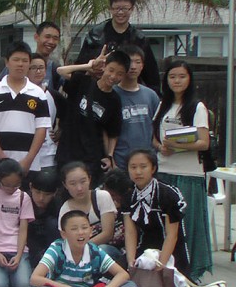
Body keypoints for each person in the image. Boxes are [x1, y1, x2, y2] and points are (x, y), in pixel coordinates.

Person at [152, 60, 212, 280]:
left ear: (189, 79)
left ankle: (193, 270)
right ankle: (167, 267)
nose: (176, 81)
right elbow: (155, 139)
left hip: (188, 173)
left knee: (188, 222)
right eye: (172, 77)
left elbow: (203, 142)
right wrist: (161, 147)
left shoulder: (197, 107)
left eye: (181, 76)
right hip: (164, 171)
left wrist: (176, 147)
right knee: (165, 223)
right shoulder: (162, 105)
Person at [30, 210, 138, 287]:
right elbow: (35, 279)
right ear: (63, 234)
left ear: (91, 231)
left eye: (84, 228)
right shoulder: (57, 249)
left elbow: (123, 274)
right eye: (74, 229)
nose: (80, 232)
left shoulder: (94, 251)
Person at [0, 42, 49, 183]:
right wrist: (3, 160)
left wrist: (28, 160)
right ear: (7, 62)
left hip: (29, 164)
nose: (20, 64)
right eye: (16, 60)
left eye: (25, 61)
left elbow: (41, 130)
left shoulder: (39, 94)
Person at [56, 48, 127, 183]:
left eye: (119, 74)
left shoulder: (114, 100)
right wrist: (90, 66)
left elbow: (113, 133)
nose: (113, 77)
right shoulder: (84, 82)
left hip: (91, 158)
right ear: (104, 67)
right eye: (111, 70)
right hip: (68, 152)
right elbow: (61, 70)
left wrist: (109, 156)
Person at [122, 149, 191, 276]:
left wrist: (160, 265)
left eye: (143, 167)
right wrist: (131, 261)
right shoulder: (129, 196)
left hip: (172, 251)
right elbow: (130, 232)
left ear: (153, 168)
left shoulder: (167, 194)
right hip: (145, 249)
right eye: (133, 167)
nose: (138, 172)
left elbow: (172, 235)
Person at [76, 0, 160, 91]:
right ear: (110, 9)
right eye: (116, 8)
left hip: (128, 91)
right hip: (98, 89)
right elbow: (79, 67)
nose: (120, 13)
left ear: (132, 9)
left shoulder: (139, 39)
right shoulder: (96, 35)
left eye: (125, 8)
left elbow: (151, 74)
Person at [0, 158, 34, 287]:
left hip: (16, 248)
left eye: (16, 185)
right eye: (7, 185)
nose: (11, 189)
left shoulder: (23, 197)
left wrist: (19, 255)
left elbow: (23, 230)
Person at [57, 162, 121, 265]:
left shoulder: (102, 197)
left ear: (89, 179)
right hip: (79, 253)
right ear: (65, 185)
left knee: (100, 250)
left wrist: (83, 248)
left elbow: (107, 234)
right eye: (73, 184)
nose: (79, 188)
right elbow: (66, 239)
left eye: (83, 181)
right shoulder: (65, 209)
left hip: (108, 248)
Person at [113, 44, 160, 169]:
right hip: (120, 163)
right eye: (129, 62)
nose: (133, 67)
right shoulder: (111, 94)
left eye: (137, 62)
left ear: (142, 65)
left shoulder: (151, 95)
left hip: (147, 163)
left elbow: (157, 128)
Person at [0, 21, 64, 90]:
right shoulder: (19, 63)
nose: (51, 41)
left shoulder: (54, 69)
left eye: (55, 38)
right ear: (36, 37)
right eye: (47, 37)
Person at [27, 55, 66, 172]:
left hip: (48, 156)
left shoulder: (54, 95)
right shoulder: (20, 94)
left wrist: (60, 131)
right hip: (24, 154)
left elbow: (68, 115)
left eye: (41, 68)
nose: (38, 71)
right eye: (33, 68)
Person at [26, 169, 62, 271]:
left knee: (53, 223)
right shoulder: (23, 201)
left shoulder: (58, 205)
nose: (41, 198)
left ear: (55, 193)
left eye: (46, 194)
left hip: (49, 243)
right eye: (37, 192)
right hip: (28, 244)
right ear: (30, 187)